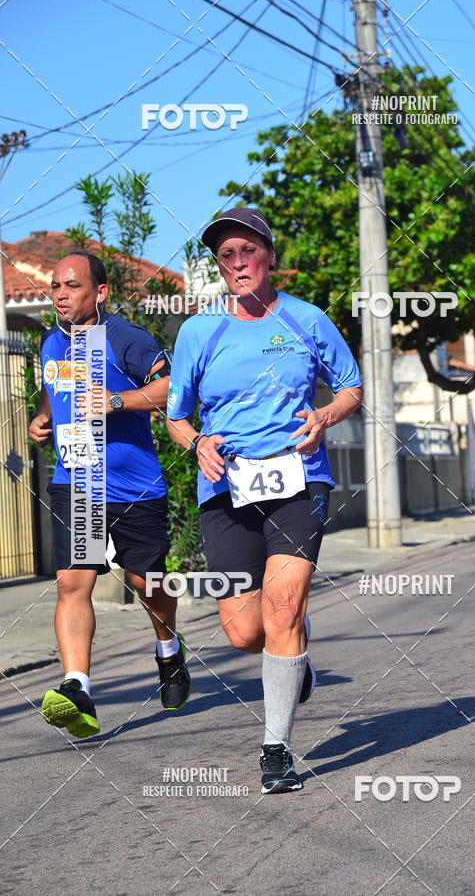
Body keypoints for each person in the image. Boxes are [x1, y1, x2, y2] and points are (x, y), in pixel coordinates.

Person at [166, 207, 363, 793]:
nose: (237, 263)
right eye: (225, 255)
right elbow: (176, 416)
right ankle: (295, 651)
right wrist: (198, 442)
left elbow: (351, 387)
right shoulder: (199, 331)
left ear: (270, 256)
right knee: (244, 633)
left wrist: (325, 415)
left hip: (299, 479)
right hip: (226, 486)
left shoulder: (308, 319)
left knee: (282, 609)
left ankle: (276, 749)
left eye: (247, 251)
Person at [29, 251, 190, 739]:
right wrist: (43, 417)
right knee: (72, 583)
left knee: (147, 583)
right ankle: (77, 687)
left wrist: (117, 400)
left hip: (134, 487)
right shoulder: (50, 343)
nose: (60, 294)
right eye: (56, 286)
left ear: (100, 292)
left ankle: (169, 650)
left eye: (72, 286)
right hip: (77, 485)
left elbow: (173, 387)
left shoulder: (124, 338)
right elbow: (52, 389)